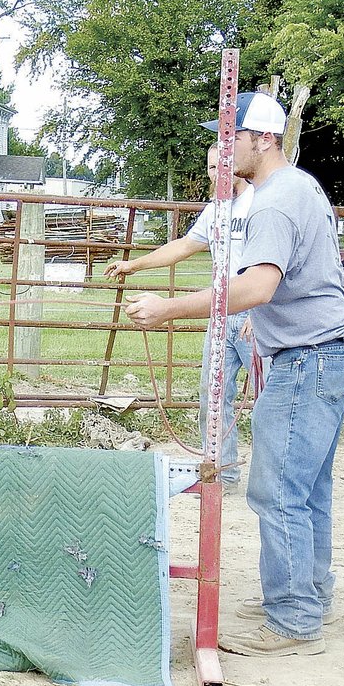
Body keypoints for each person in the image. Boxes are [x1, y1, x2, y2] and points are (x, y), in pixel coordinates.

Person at [124, 91, 344, 656]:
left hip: (308, 354)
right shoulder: (295, 189)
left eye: (233, 136)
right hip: (323, 348)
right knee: (308, 487)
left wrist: (169, 307)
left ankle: (292, 617)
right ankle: (308, 596)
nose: (224, 149)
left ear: (264, 139)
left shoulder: (275, 201)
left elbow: (257, 286)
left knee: (276, 487)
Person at [104, 142, 257, 494]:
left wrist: (263, 311)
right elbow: (184, 246)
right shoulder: (216, 209)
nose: (217, 173)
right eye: (211, 167)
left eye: (224, 166)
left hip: (254, 311)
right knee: (213, 395)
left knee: (268, 397)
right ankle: (224, 476)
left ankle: (271, 477)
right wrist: (134, 263)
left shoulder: (259, 203)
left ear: (241, 166)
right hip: (221, 315)